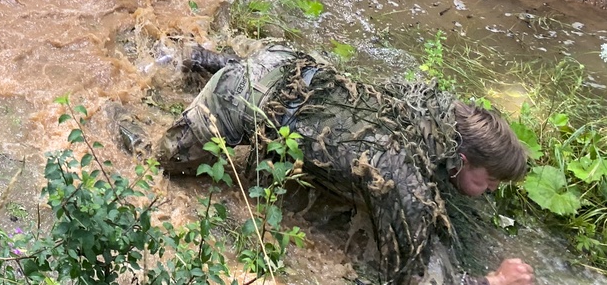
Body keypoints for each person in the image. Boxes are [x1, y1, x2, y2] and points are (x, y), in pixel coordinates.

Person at [156, 42, 535, 285]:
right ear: (461, 160)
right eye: (488, 183)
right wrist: (493, 282)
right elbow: (415, 279)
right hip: (244, 97)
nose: (488, 192)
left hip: (294, 64)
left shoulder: (428, 112)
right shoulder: (405, 181)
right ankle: (204, 75)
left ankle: (204, 59)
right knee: (163, 161)